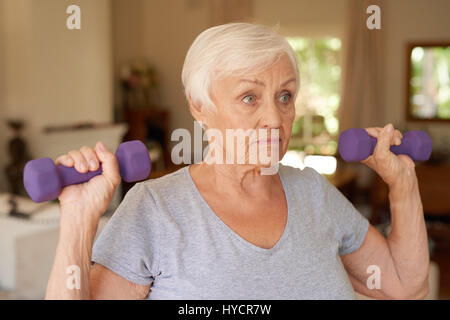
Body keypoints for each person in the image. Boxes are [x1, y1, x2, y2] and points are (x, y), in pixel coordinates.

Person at [46, 23, 429, 300]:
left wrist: (403, 183)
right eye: (249, 97)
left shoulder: (314, 193)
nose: (276, 118)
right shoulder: (154, 210)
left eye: (285, 96)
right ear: (200, 106)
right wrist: (78, 222)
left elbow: (405, 284)